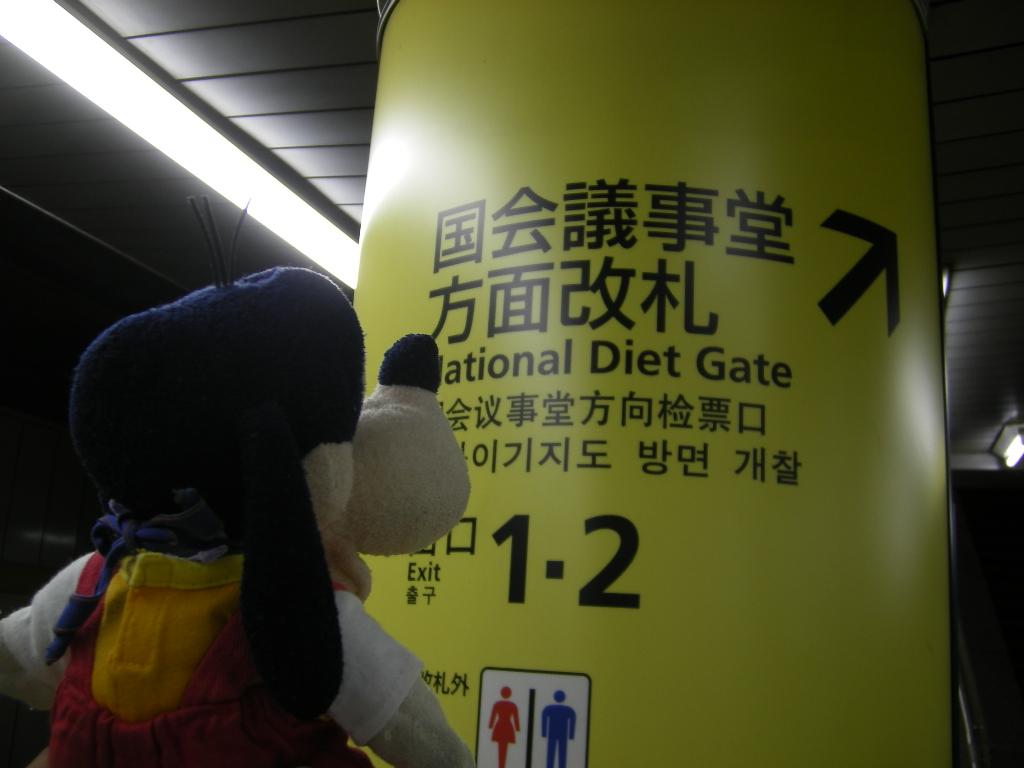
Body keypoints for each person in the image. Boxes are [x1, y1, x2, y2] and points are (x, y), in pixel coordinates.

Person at [488, 686, 520, 768]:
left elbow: (493, 716)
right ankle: (501, 765)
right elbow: (516, 718)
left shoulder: (497, 704)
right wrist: (517, 728)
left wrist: (491, 725)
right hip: (508, 727)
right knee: (503, 747)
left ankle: (501, 765)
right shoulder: (513, 705)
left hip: (500, 726)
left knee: (501, 747)